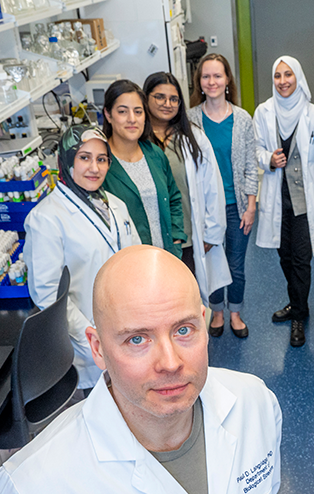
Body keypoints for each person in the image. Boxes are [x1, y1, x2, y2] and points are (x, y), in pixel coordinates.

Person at [0, 245, 283, 494]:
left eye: (184, 330)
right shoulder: (30, 492)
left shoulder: (254, 405)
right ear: (97, 348)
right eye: (137, 339)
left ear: (203, 321)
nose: (170, 362)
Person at [23, 124, 140, 392]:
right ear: (66, 160)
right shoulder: (46, 218)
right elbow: (47, 293)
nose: (94, 168)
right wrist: (87, 336)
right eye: (84, 158)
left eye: (101, 159)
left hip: (127, 326)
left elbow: (135, 257)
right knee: (100, 411)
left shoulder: (115, 205)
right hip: (88, 340)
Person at [254, 56, 314, 348]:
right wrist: (268, 160)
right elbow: (257, 150)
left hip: (305, 202)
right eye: (277, 75)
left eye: (289, 75)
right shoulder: (263, 112)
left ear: (298, 77)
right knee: (284, 257)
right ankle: (298, 302)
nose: (283, 81)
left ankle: (298, 315)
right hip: (276, 199)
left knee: (301, 259)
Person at [141, 71, 230, 306]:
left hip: (187, 238)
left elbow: (213, 187)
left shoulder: (193, 137)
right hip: (150, 238)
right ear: (146, 99)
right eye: (159, 97)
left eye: (173, 99)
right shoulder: (138, 141)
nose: (167, 104)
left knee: (187, 299)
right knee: (156, 301)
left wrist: (211, 231)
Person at [188, 54, 258, 339]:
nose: (212, 81)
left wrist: (251, 206)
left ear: (228, 79)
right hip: (206, 208)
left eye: (218, 76)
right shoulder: (191, 118)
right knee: (212, 260)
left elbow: (251, 166)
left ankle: (235, 312)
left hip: (237, 205)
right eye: (206, 76)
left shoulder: (242, 119)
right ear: (200, 83)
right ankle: (216, 311)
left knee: (236, 263)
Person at [101, 79, 187, 257]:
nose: (132, 119)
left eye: (138, 112)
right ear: (108, 115)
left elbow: (173, 198)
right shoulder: (101, 163)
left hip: (165, 256)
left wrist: (176, 240)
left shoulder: (154, 154)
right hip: (128, 263)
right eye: (123, 111)